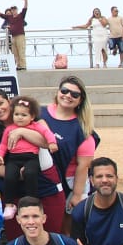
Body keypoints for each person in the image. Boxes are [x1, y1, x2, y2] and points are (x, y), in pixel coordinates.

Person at [0, 89, 67, 242]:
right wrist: (17, 175)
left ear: (9, 102)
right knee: (18, 239)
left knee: (51, 235)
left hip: (45, 185)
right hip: (12, 188)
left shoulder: (37, 123)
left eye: (1, 103)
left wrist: (21, 131)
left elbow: (46, 143)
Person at [0, 95, 56, 218]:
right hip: (13, 159)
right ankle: (9, 204)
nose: (19, 118)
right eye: (16, 114)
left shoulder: (35, 126)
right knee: (10, 176)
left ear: (32, 116)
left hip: (31, 158)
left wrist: (52, 143)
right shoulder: (9, 129)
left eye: (24, 115)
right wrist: (0, 155)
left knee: (31, 174)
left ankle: (33, 202)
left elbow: (47, 133)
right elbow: (3, 144)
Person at [41, 74, 96, 210]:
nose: (68, 96)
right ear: (58, 92)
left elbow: (83, 166)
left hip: (69, 183)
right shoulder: (39, 113)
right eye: (64, 91)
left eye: (75, 94)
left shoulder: (83, 129)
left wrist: (77, 195)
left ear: (80, 100)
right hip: (41, 179)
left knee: (66, 226)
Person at [0, 0, 29, 71]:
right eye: (12, 9)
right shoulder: (9, 17)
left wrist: (26, 0)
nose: (13, 10)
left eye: (15, 9)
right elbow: (0, 14)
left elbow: (25, 8)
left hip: (20, 36)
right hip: (13, 36)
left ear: (17, 10)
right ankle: (18, 66)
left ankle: (23, 66)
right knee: (15, 52)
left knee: (21, 51)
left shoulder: (21, 16)